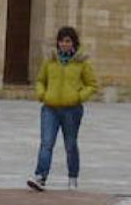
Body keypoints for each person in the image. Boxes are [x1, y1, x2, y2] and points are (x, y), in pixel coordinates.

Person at [27, 26, 98, 191]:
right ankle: (40, 177)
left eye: (67, 41)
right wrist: (42, 94)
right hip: (50, 108)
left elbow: (92, 85)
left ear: (73, 43)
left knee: (70, 144)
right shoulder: (50, 61)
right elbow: (40, 80)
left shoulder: (81, 63)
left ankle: (73, 178)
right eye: (61, 41)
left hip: (71, 110)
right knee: (46, 143)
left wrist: (78, 97)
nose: (63, 44)